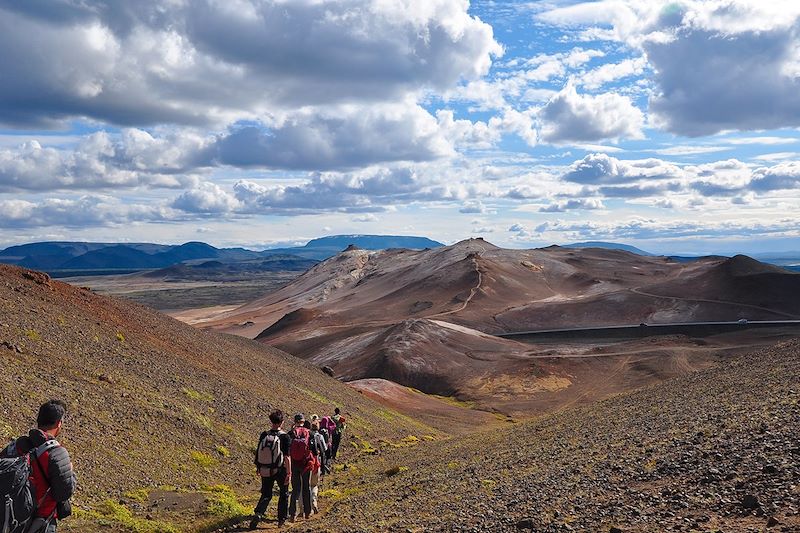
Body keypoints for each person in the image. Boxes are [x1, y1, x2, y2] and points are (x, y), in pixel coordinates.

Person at [1, 400, 76, 533]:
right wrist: (70, 473)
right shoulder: (57, 452)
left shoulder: (16, 445)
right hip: (39, 522)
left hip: (9, 518)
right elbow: (63, 493)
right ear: (59, 423)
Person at [250, 410, 291, 529]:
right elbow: (287, 457)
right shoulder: (285, 437)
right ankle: (281, 520)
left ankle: (259, 513)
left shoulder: (264, 434)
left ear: (271, 421)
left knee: (266, 493)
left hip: (265, 468)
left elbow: (258, 451)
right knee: (284, 493)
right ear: (281, 422)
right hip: (280, 469)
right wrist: (289, 472)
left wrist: (258, 467)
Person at [287, 414, 315, 522]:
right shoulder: (310, 433)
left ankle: (292, 514)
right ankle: (307, 513)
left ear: (295, 421)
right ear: (304, 421)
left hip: (294, 464)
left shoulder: (290, 434)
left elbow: (287, 449)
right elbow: (314, 449)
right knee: (306, 488)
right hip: (306, 464)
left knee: (295, 489)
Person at [308, 418, 328, 515]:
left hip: (306, 464)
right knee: (314, 485)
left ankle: (304, 508)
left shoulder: (306, 435)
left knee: (306, 485)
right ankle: (314, 501)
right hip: (316, 463)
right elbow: (324, 449)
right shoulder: (319, 436)